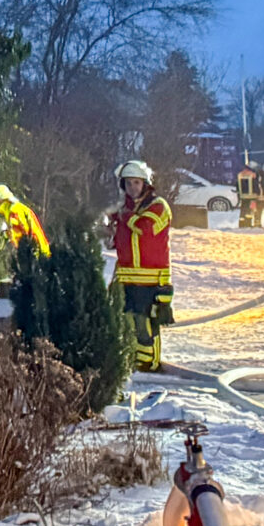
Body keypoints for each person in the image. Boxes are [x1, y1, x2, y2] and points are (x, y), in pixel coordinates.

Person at [109, 159, 172, 373]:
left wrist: (124, 217)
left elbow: (146, 228)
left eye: (136, 183)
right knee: (128, 321)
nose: (132, 188)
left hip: (152, 279)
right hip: (127, 277)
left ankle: (149, 363)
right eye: (128, 183)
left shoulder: (159, 206)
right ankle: (133, 359)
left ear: (145, 184)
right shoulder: (125, 210)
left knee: (146, 323)